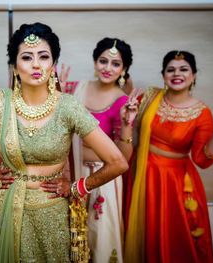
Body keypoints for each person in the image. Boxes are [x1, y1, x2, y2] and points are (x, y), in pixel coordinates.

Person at [0, 22, 129, 262]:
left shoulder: (68, 107)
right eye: (27, 57)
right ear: (15, 67)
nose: (36, 64)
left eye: (44, 56)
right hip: (4, 208)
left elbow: (117, 162)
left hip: (51, 211)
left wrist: (76, 187)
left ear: (53, 64)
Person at [122, 50, 213, 263]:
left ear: (193, 75)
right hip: (141, 175)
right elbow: (121, 113)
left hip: (174, 184)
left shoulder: (202, 113)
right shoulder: (148, 98)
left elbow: (202, 160)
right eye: (171, 69)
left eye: (184, 69)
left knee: (174, 241)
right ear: (163, 74)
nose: (177, 74)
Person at [60, 37, 135, 263]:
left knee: (100, 238)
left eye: (115, 64)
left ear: (124, 69)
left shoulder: (123, 102)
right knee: (70, 233)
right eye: (103, 61)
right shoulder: (73, 89)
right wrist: (57, 96)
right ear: (94, 62)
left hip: (105, 179)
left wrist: (126, 125)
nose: (107, 68)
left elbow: (124, 158)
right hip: (71, 173)